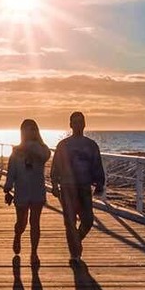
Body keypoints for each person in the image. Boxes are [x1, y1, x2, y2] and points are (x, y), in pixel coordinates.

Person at [50, 111, 105, 261]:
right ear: (70, 125)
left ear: (84, 124)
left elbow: (97, 165)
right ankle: (75, 254)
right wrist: (54, 184)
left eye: (80, 122)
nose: (78, 125)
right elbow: (55, 166)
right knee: (70, 221)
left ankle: (77, 240)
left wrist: (100, 183)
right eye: (75, 122)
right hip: (67, 187)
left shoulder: (91, 145)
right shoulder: (63, 145)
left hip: (84, 187)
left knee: (88, 220)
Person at [3, 119, 50, 261]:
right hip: (21, 190)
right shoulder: (16, 151)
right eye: (26, 130)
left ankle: (34, 252)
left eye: (32, 129)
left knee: (35, 222)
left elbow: (45, 156)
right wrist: (8, 187)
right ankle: (17, 235)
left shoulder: (42, 148)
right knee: (21, 222)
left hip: (37, 190)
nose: (29, 132)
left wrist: (31, 148)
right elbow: (11, 171)